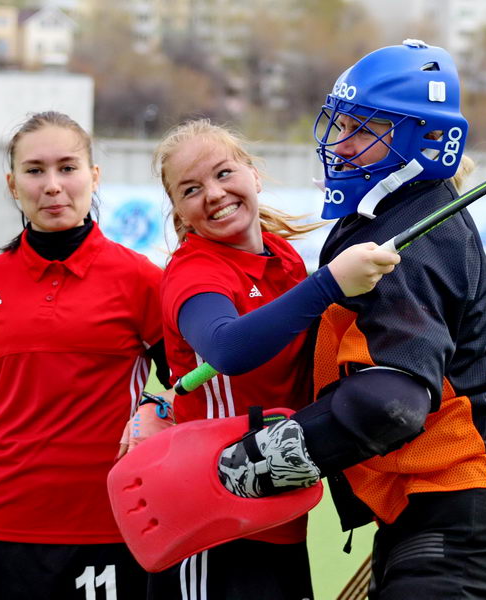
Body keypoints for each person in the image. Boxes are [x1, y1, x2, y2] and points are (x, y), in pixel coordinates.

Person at [217, 40, 486, 599]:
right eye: (340, 123)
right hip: (443, 501)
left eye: (364, 131)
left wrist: (253, 461)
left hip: (461, 504)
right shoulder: (397, 218)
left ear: (423, 140)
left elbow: (388, 403)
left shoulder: (404, 241)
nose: (341, 144)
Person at [0, 110, 173, 599]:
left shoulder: (142, 280)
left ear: (94, 177)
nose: (52, 185)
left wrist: (161, 405)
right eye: (34, 170)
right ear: (13, 184)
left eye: (68, 168)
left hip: (109, 530)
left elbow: (190, 386)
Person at [144, 118, 399, 600]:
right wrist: (328, 284)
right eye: (191, 189)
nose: (214, 194)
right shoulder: (194, 271)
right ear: (179, 211)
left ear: (254, 175)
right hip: (209, 515)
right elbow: (227, 348)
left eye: (223, 174)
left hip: (276, 507)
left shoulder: (282, 258)